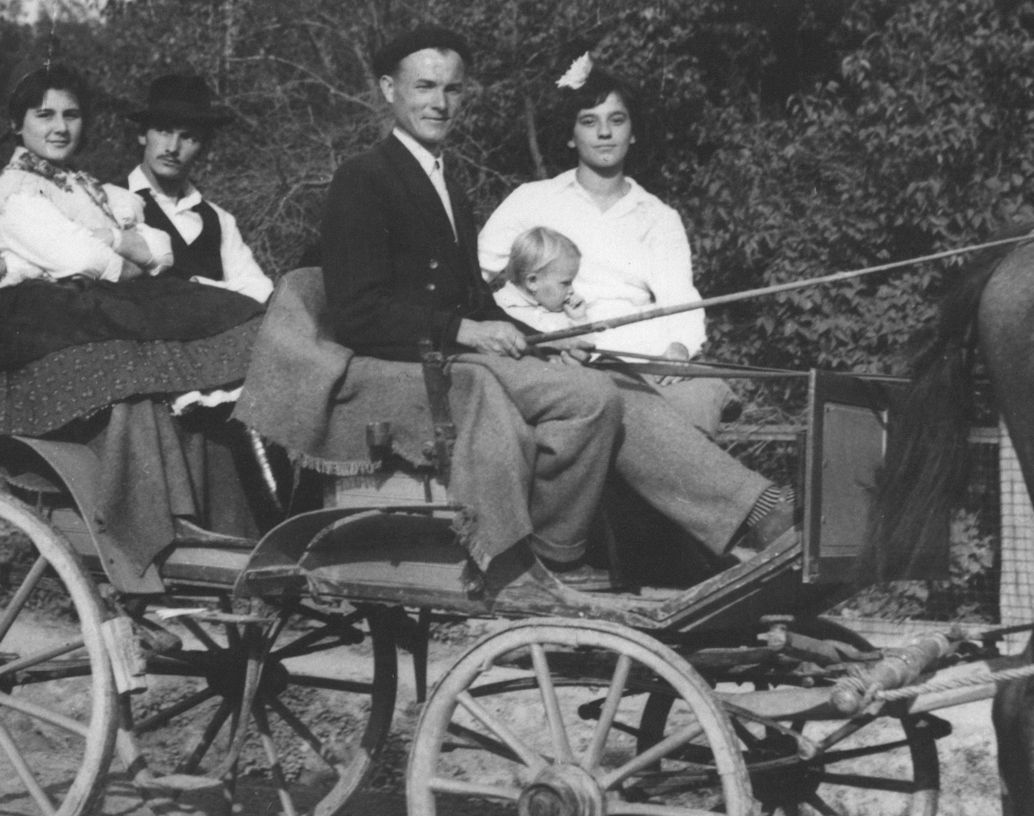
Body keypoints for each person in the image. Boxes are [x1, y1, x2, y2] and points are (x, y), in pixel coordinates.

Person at [318, 26, 793, 606]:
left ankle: (758, 510)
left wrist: (542, 341)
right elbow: (357, 311)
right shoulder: (364, 177)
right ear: (389, 90)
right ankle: (553, 553)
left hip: (453, 349)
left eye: (453, 89)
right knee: (590, 396)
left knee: (612, 382)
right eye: (424, 87)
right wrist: (465, 330)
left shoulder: (445, 181)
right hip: (413, 365)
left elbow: (477, 298)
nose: (440, 103)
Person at [0, 64, 268, 593]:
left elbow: (160, 251)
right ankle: (151, 525)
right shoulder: (20, 191)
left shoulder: (86, 188)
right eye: (45, 115)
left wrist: (113, 246)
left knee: (187, 355)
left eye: (71, 115)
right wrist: (119, 248)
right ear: (18, 124)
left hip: (86, 307)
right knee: (131, 368)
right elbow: (82, 259)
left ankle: (228, 523)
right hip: (44, 321)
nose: (59, 127)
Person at [479, 60, 732, 434]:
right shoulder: (531, 199)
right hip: (554, 356)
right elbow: (475, 274)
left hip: (639, 359)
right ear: (570, 136)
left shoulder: (658, 217)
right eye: (588, 121)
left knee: (697, 401)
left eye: (617, 120)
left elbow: (681, 301)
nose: (604, 133)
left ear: (633, 132)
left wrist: (679, 350)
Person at [123, 74, 274, 304]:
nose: (173, 147)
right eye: (164, 131)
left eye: (188, 137)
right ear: (143, 135)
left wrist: (197, 286)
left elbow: (260, 290)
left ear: (203, 148)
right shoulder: (109, 198)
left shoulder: (219, 220)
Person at [490, 226, 591, 340]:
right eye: (565, 283)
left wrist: (579, 320)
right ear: (532, 281)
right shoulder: (497, 306)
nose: (572, 290)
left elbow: (588, 347)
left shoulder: (567, 312)